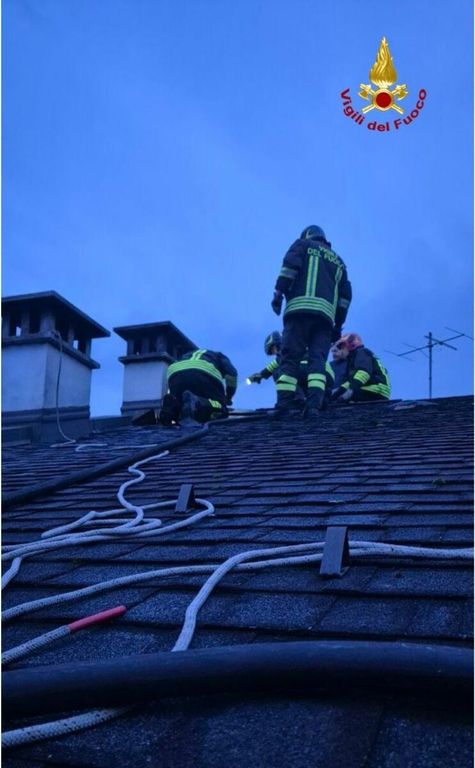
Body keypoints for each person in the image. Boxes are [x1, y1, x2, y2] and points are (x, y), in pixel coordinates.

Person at [271, 225, 352, 418]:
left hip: (299, 312)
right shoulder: (339, 261)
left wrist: (278, 293)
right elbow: (345, 298)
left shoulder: (302, 245)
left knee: (290, 358)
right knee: (318, 362)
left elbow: (289, 268)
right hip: (325, 320)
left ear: (307, 236)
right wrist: (338, 325)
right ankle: (314, 406)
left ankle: (284, 406)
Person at [159, 349, 238, 425]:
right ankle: (198, 401)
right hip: (204, 371)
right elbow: (232, 373)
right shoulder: (219, 356)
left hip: (175, 372)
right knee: (221, 408)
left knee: (182, 405)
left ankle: (171, 407)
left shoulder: (188, 355)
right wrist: (228, 398)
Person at [331, 333, 391, 402]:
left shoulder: (362, 352)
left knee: (341, 401)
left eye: (343, 346)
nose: (341, 349)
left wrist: (351, 390)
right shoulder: (352, 359)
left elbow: (363, 373)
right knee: (336, 399)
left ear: (352, 344)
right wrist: (337, 392)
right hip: (370, 388)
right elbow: (351, 381)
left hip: (376, 389)